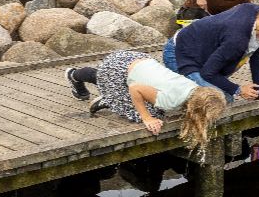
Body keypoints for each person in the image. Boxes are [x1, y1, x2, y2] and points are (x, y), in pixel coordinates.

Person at [65, 52, 226, 145]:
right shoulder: (171, 100)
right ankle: (75, 76)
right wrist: (147, 118)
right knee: (150, 116)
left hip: (137, 59)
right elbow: (135, 88)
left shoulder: (193, 87)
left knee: (156, 108)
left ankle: (113, 97)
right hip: (117, 68)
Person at [164, 4, 259, 101]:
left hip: (202, 48)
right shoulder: (237, 40)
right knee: (224, 99)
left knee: (221, 86)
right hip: (180, 54)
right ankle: (180, 89)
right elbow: (208, 73)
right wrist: (238, 89)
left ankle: (190, 88)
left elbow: (256, 57)